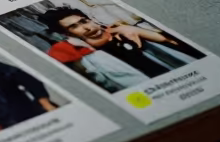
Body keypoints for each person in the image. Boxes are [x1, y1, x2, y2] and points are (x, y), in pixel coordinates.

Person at [39, 6, 204, 88]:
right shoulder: (91, 59)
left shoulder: (127, 32)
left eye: (84, 21)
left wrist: (136, 31)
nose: (86, 27)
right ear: (68, 35)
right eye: (74, 27)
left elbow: (181, 47)